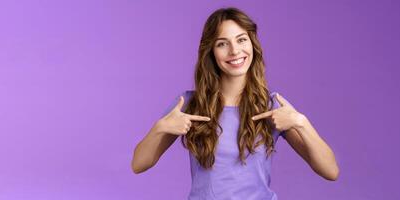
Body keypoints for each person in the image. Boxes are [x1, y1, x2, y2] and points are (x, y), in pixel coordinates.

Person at [131, 7, 339, 200]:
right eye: (222, 43)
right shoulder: (189, 104)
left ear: (252, 44)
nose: (234, 51)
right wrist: (160, 128)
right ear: (211, 51)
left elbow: (330, 171)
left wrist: (301, 122)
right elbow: (138, 164)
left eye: (241, 40)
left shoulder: (271, 106)